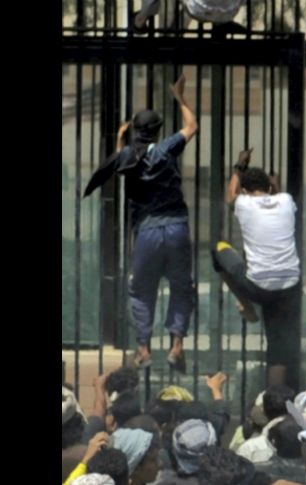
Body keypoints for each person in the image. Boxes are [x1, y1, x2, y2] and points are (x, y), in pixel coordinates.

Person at [84, 74, 198, 373]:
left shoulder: (126, 156)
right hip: (176, 226)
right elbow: (192, 127)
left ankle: (143, 348)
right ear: (159, 130)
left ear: (135, 130)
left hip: (146, 231)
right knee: (181, 287)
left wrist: (122, 137)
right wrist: (180, 96)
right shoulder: (165, 149)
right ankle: (176, 346)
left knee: (142, 290)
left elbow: (121, 160)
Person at [213, 148, 301, 390]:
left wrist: (238, 167)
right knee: (278, 349)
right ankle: (276, 400)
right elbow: (279, 195)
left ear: (245, 190)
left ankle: (246, 304)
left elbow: (230, 196)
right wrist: (276, 185)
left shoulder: (243, 204)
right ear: (271, 188)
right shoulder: (286, 201)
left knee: (217, 250)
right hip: (289, 285)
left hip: (257, 286)